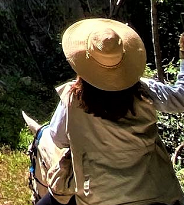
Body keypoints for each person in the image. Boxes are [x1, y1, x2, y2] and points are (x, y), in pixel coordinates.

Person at [37, 18, 184, 205]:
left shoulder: (72, 99)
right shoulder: (145, 91)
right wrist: (183, 56)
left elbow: (58, 139)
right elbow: (181, 99)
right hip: (158, 193)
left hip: (97, 197)